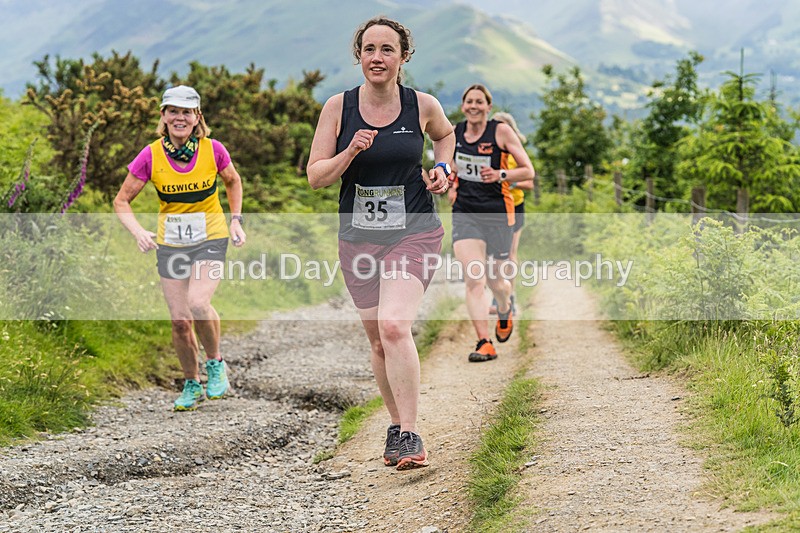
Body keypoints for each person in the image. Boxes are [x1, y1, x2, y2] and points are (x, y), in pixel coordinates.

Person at [307, 17, 454, 471]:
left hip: (414, 232)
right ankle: (396, 425)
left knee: (394, 326)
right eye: (369, 49)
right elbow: (315, 177)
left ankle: (410, 433)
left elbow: (445, 135)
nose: (377, 57)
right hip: (358, 241)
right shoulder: (338, 107)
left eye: (387, 49)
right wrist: (350, 150)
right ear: (359, 56)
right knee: (377, 341)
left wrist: (444, 170)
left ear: (403, 57)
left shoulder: (421, 105)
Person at [113, 85, 246, 411]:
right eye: (173, 111)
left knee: (199, 303)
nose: (180, 117)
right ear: (164, 116)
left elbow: (233, 181)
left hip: (210, 238)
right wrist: (138, 231)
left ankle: (215, 363)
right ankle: (191, 383)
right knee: (179, 320)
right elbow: (121, 201)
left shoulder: (213, 150)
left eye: (186, 111)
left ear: (197, 117)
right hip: (171, 243)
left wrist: (236, 220)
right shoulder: (151, 155)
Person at [447, 84, 535, 363]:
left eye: (479, 102)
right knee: (475, 278)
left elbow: (528, 171)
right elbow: (448, 165)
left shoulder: (500, 131)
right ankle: (484, 342)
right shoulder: (454, 132)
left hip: (498, 213)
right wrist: (446, 178)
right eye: (469, 101)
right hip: (465, 213)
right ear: (463, 106)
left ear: (488, 107)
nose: (473, 106)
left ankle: (505, 305)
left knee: (498, 281)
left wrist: (500, 174)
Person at [488, 111, 533, 316]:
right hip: (493, 208)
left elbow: (530, 183)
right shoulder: (488, 151)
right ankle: (499, 295)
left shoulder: (516, 152)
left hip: (515, 206)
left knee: (510, 254)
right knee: (492, 257)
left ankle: (511, 296)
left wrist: (508, 180)